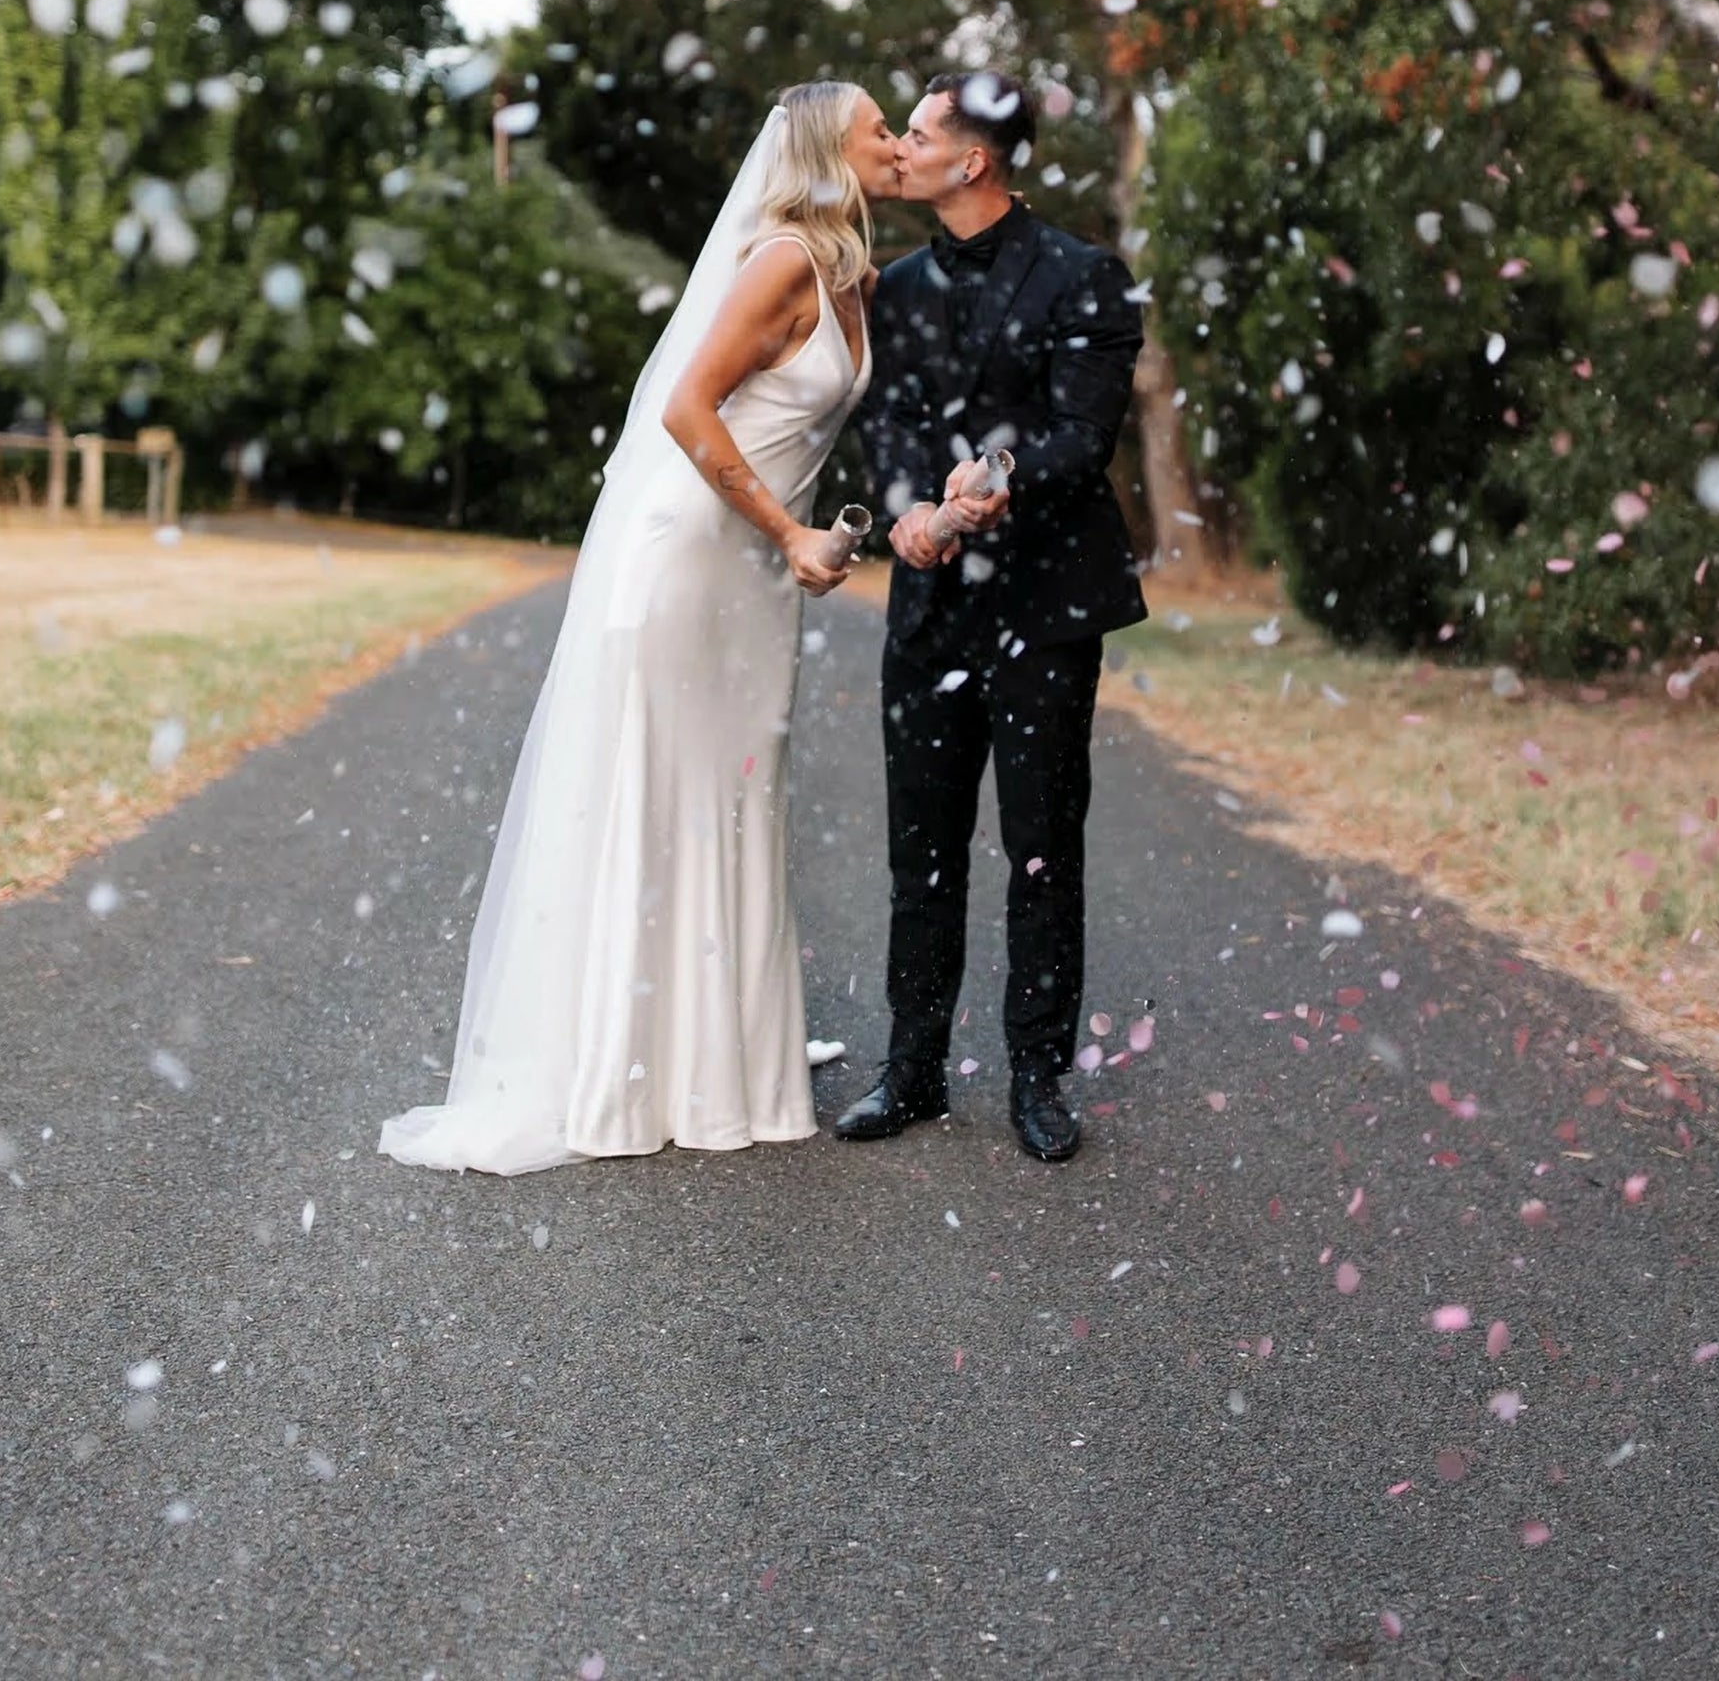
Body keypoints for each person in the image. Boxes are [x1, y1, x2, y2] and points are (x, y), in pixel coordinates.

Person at [380, 82, 901, 1174]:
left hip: (751, 573)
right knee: (660, 789)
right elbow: (684, 407)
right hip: (687, 554)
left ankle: (720, 1055)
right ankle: (624, 1066)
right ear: (825, 153)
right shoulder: (779, 262)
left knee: (736, 788)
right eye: (877, 130)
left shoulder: (852, 277)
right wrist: (787, 529)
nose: (894, 143)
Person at [841, 70, 1146, 1164]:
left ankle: (1035, 1078)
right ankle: (911, 1069)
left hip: (1045, 608)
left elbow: (1083, 431)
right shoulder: (894, 288)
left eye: (916, 135)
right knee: (917, 846)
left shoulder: (1085, 278)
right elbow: (886, 428)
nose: (900, 149)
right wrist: (911, 513)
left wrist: (998, 477)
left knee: (1038, 849)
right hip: (928, 607)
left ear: (971, 161)